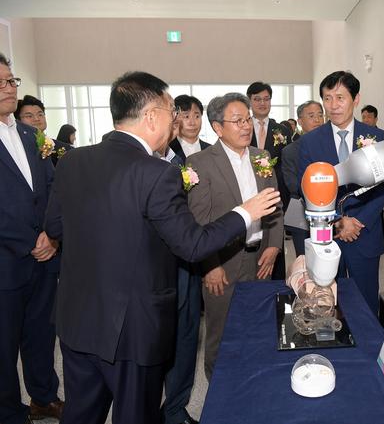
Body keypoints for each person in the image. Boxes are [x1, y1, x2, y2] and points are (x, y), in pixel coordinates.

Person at [43, 71, 280, 424]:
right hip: (132, 326)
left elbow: (55, 227)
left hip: (78, 318)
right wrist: (245, 213)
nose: (177, 121)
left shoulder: (73, 160)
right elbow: (192, 245)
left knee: (81, 413)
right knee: (135, 414)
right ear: (151, 116)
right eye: (173, 112)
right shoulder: (156, 171)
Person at [187, 93, 283, 380]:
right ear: (218, 127)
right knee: (221, 331)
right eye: (237, 121)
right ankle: (218, 387)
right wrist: (210, 266)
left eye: (248, 119)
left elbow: (275, 206)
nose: (246, 126)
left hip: (260, 258)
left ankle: (253, 380)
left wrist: (273, 247)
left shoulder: (261, 157)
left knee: (258, 325)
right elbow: (199, 222)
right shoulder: (199, 163)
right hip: (223, 263)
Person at [0, 53, 62, 424]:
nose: (9, 88)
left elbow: (52, 189)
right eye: (1, 83)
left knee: (41, 335)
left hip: (44, 257)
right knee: (4, 345)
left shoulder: (29, 134)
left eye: (11, 81)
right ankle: (8, 412)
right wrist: (28, 242)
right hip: (6, 261)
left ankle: (43, 398)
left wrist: (51, 235)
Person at [298, 71, 384, 315]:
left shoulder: (377, 137)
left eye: (340, 97)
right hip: (327, 234)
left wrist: (358, 221)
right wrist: (338, 221)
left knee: (366, 302)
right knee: (327, 301)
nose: (333, 105)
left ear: (356, 99)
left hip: (365, 232)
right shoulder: (310, 141)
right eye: (327, 98)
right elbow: (306, 188)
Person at [158, 94, 208, 424]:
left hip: (193, 250)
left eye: (194, 115)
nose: (188, 121)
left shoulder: (207, 152)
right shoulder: (151, 155)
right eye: (181, 114)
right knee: (160, 339)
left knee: (187, 333)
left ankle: (176, 409)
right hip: (156, 263)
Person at [247, 81, 291, 280]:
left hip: (275, 194)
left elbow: (287, 164)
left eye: (266, 99)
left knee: (274, 239)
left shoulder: (282, 130)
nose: (262, 103)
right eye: (257, 99)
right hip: (248, 192)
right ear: (250, 101)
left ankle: (277, 287)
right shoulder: (242, 127)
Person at [281, 100, 324, 256]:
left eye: (320, 115)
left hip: (330, 214)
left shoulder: (332, 145)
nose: (317, 120)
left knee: (327, 256)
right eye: (311, 116)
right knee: (304, 259)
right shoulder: (290, 151)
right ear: (300, 121)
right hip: (301, 211)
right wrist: (321, 194)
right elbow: (292, 184)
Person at [15, 95, 71, 166]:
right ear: (18, 121)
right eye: (29, 116)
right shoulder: (16, 149)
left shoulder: (63, 148)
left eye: (40, 115)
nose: (36, 119)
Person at [168, 94, 211, 163]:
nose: (192, 123)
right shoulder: (168, 150)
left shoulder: (211, 150)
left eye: (197, 116)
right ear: (175, 117)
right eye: (186, 117)